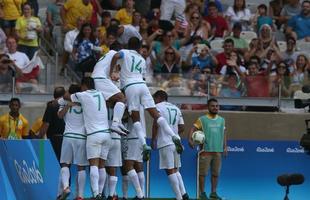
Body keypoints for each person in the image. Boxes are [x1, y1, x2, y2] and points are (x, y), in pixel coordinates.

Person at [110, 37, 183, 199]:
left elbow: (115, 55)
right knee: (154, 113)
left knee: (134, 115)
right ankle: (174, 135)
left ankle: (145, 146)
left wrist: (111, 71)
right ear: (140, 47)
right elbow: (142, 76)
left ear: (129, 45)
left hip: (130, 88)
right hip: (143, 86)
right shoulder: (142, 59)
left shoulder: (124, 53)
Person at [63, 77, 111, 199]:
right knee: (102, 165)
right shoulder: (101, 94)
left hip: (94, 135)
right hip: (106, 133)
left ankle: (96, 194)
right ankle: (101, 192)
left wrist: (75, 94)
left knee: (94, 165)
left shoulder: (83, 95)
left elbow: (66, 96)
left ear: (84, 85)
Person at [152, 90, 189, 200]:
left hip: (165, 142)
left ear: (158, 98)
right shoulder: (176, 108)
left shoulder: (157, 106)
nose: (153, 101)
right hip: (176, 140)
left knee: (169, 170)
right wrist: (175, 133)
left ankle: (179, 197)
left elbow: (155, 125)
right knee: (176, 169)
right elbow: (182, 127)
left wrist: (154, 139)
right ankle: (184, 193)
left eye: (154, 98)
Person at [189, 98, 227, 200]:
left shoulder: (222, 120)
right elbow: (193, 129)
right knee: (202, 174)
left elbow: (224, 134)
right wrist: (190, 140)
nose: (215, 108)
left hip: (218, 152)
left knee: (215, 174)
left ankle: (213, 193)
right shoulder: (202, 119)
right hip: (205, 152)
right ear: (208, 107)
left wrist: (225, 147)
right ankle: (202, 193)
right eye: (213, 106)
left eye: (216, 106)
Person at [57, 84, 88, 200]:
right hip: (81, 137)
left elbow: (60, 115)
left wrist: (68, 105)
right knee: (81, 167)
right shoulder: (85, 102)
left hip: (68, 136)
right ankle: (80, 195)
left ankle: (66, 187)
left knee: (65, 164)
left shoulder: (65, 102)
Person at [91, 43, 128, 135]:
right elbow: (117, 57)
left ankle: (116, 122)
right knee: (121, 98)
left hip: (96, 79)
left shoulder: (106, 56)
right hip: (101, 79)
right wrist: (111, 73)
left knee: (110, 102)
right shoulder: (117, 53)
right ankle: (115, 123)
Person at [38, 86, 65, 162]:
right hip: (67, 138)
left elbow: (46, 124)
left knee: (54, 161)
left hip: (54, 139)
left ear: (54, 95)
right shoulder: (68, 105)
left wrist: (39, 137)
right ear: (63, 95)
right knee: (64, 163)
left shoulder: (51, 105)